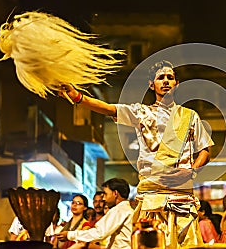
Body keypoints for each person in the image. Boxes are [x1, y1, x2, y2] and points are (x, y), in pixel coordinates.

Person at [59, 60, 214, 249]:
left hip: (182, 196)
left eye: (170, 77)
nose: (165, 81)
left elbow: (205, 150)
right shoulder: (142, 113)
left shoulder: (190, 116)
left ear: (176, 83)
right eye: (160, 78)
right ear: (151, 84)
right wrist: (78, 97)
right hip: (151, 197)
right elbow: (109, 108)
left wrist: (191, 171)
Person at [56, 178, 134, 249]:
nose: (104, 198)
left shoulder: (120, 210)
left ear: (115, 193)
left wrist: (70, 235)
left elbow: (100, 233)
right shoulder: (123, 209)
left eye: (106, 194)